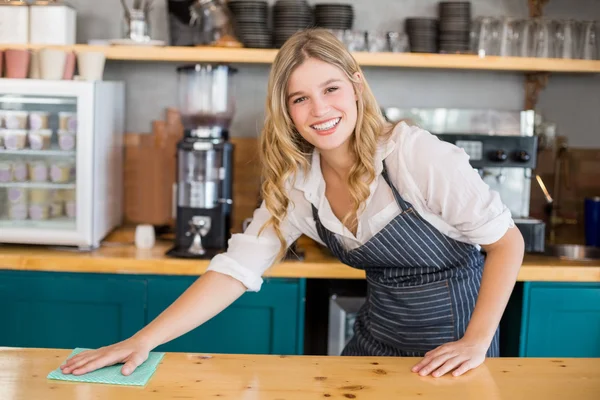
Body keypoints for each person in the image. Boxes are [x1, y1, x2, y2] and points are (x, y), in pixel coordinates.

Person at [60, 28, 524, 379]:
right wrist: (142, 341)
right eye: (300, 98)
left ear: (357, 86)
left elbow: (507, 244)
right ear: (287, 111)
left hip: (455, 351)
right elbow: (236, 270)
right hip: (373, 345)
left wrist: (477, 340)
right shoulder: (300, 183)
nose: (319, 110)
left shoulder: (413, 155)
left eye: (331, 89)